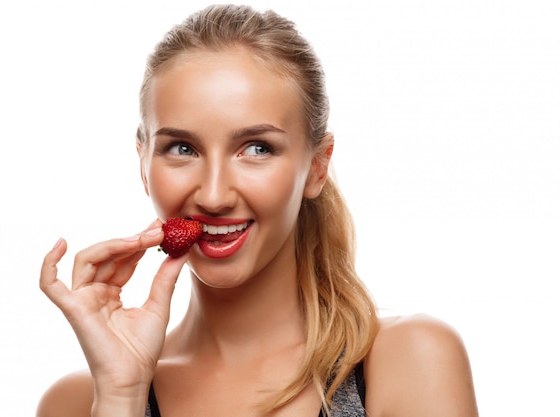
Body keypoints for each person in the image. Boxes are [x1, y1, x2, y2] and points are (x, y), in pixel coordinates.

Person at [37, 4, 478, 417]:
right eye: (182, 148)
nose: (212, 195)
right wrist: (121, 395)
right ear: (143, 163)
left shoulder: (412, 359)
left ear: (317, 166)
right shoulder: (77, 402)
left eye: (256, 148)